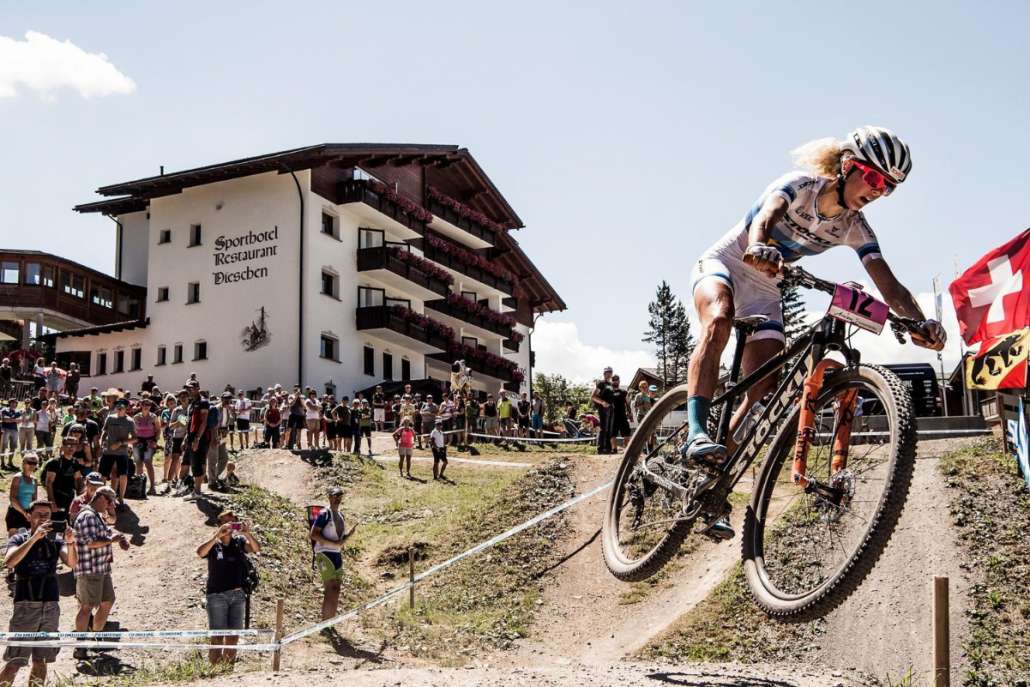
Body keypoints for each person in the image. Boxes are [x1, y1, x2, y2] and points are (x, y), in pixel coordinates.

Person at [684, 127, 946, 540]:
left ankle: (712, 487)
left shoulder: (854, 226)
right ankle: (697, 432)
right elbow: (765, 220)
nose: (879, 191)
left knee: (761, 393)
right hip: (728, 264)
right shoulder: (800, 186)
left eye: (890, 187)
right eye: (874, 178)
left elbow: (889, 286)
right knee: (718, 319)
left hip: (767, 288)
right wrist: (759, 245)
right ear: (847, 166)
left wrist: (919, 322)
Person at [1, 499, 77, 687]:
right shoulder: (19, 538)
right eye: (39, 515)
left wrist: (71, 542)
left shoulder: (55, 540)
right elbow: (9, 562)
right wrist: (34, 538)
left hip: (50, 604)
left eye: (47, 515)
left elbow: (72, 563)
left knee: (41, 660)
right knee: (15, 662)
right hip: (26, 604)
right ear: (28, 516)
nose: (43, 518)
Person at [196, 510, 260, 665]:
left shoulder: (239, 543)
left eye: (234, 522)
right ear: (219, 525)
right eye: (226, 522)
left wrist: (247, 534)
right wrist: (216, 536)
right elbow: (200, 552)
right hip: (216, 595)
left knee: (233, 636)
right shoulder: (214, 544)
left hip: (238, 595)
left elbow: (256, 549)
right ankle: (214, 670)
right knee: (217, 636)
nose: (230, 526)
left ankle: (227, 672)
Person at [72, 486, 129, 660]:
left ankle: (95, 637)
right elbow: (91, 542)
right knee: (86, 607)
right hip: (89, 569)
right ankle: (80, 646)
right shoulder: (88, 515)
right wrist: (112, 540)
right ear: (102, 497)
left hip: (102, 568)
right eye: (110, 502)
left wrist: (118, 536)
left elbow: (108, 528)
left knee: (107, 601)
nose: (111, 505)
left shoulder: (97, 515)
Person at [309, 487, 358, 621]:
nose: (337, 499)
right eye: (335, 496)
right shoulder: (324, 513)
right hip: (324, 553)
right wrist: (333, 544)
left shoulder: (341, 515)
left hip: (337, 554)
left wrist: (349, 535)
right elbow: (313, 534)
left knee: (336, 588)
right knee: (331, 587)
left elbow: (340, 542)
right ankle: (325, 623)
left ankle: (330, 623)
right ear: (329, 497)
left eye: (340, 496)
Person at [99, 398, 136, 508]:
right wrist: (101, 444)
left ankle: (120, 499)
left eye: (122, 406)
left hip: (122, 453)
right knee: (103, 475)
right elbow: (104, 432)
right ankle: (100, 498)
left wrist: (121, 442)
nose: (119, 408)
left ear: (126, 408)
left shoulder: (130, 421)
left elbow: (135, 438)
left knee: (122, 475)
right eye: (118, 406)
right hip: (108, 452)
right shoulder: (110, 418)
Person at [43, 438, 85, 516]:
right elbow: (48, 483)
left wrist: (81, 498)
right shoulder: (54, 462)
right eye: (68, 445)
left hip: (70, 498)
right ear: (62, 447)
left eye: (74, 445)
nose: (71, 447)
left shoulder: (75, 462)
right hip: (57, 498)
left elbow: (78, 479)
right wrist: (52, 501)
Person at [132, 399, 161, 496]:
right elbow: (133, 431)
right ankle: (139, 486)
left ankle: (152, 487)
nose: (146, 406)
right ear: (141, 405)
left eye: (148, 405)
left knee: (148, 463)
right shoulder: (136, 417)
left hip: (149, 442)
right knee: (138, 464)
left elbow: (158, 430)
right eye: (144, 404)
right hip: (138, 442)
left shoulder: (153, 417)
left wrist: (155, 441)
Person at [5, 453, 39, 535]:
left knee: (26, 540)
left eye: (34, 463)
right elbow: (12, 499)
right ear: (23, 463)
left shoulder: (35, 480)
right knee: (13, 541)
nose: (32, 465)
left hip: (28, 514)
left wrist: (32, 513)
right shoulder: (17, 478)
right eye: (29, 463)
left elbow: (34, 499)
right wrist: (24, 513)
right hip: (15, 512)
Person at [590, 368, 615, 454]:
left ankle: (608, 448)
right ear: (604, 374)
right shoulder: (601, 383)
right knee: (604, 428)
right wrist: (602, 402)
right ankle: (601, 449)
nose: (609, 374)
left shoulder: (611, 384)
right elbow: (593, 396)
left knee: (609, 429)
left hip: (611, 408)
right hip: (604, 408)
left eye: (610, 372)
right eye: (607, 373)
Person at [608, 375, 632, 452]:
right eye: (614, 380)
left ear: (619, 381)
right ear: (611, 381)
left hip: (622, 416)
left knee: (626, 433)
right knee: (612, 433)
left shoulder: (624, 392)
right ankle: (614, 449)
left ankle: (627, 450)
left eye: (617, 380)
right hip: (612, 416)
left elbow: (628, 403)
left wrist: (630, 413)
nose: (615, 381)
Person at [0, 400, 20, 470]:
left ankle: (10, 462)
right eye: (12, 403)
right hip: (5, 430)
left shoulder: (18, 411)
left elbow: (20, 420)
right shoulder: (4, 410)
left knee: (13, 447)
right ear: (9, 403)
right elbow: (4, 419)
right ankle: (2, 463)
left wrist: (10, 419)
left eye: (15, 403)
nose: (14, 404)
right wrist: (14, 419)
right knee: (3, 447)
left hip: (14, 430)